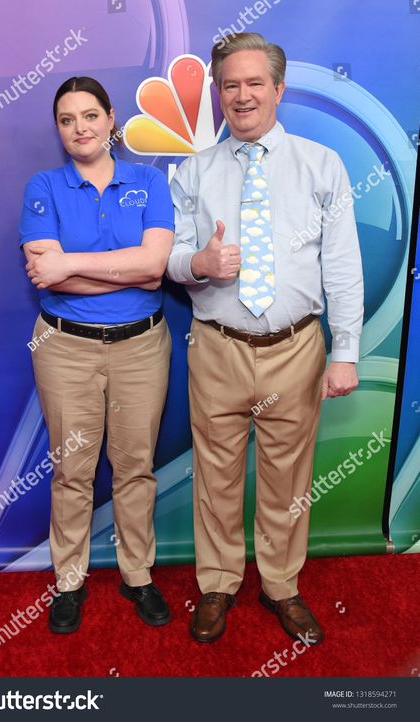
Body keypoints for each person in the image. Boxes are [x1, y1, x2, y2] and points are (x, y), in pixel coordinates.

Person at [167, 33, 363, 644]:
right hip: (217, 346)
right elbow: (166, 257)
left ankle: (281, 584)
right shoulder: (193, 172)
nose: (242, 95)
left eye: (255, 83)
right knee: (215, 475)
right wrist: (199, 263)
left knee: (288, 480)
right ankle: (218, 584)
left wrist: (347, 352)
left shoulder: (322, 165)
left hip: (296, 349)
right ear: (219, 93)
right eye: (230, 84)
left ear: (278, 89)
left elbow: (343, 264)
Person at [19, 76, 174, 633]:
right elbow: (47, 276)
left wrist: (73, 264)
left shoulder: (149, 181)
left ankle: (138, 575)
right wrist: (118, 270)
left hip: (141, 347)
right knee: (72, 472)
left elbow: (154, 268)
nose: (79, 128)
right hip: (65, 349)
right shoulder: (43, 185)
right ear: (58, 129)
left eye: (90, 116)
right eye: (67, 119)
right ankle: (69, 582)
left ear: (111, 119)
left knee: (136, 467)